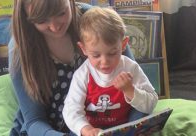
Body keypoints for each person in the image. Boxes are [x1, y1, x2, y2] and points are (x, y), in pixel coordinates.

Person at [8, 0, 136, 135]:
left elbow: (136, 85)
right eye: (42, 21)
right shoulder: (20, 49)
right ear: (26, 18)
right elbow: (34, 121)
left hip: (103, 126)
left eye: (61, 13)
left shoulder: (96, 20)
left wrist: (133, 128)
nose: (54, 27)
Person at [62, 7, 158, 136]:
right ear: (83, 49)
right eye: (96, 55)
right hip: (93, 130)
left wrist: (129, 90)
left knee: (142, 114)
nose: (105, 62)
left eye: (112, 53)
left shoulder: (130, 67)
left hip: (124, 128)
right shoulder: (83, 74)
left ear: (123, 45)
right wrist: (86, 129)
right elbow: (71, 110)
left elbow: (151, 103)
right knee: (75, 129)